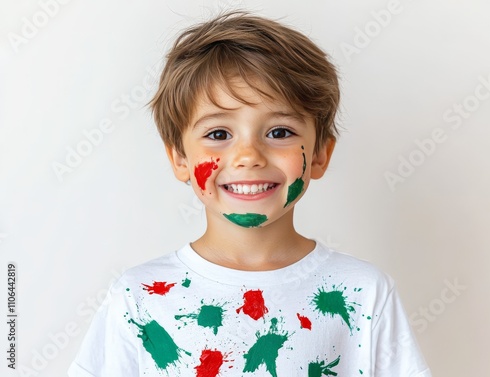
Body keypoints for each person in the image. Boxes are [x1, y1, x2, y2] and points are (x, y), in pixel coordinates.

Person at [68, 11, 431, 377]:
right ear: (179, 158)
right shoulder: (138, 299)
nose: (248, 157)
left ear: (320, 155)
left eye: (279, 132)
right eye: (219, 134)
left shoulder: (362, 293)